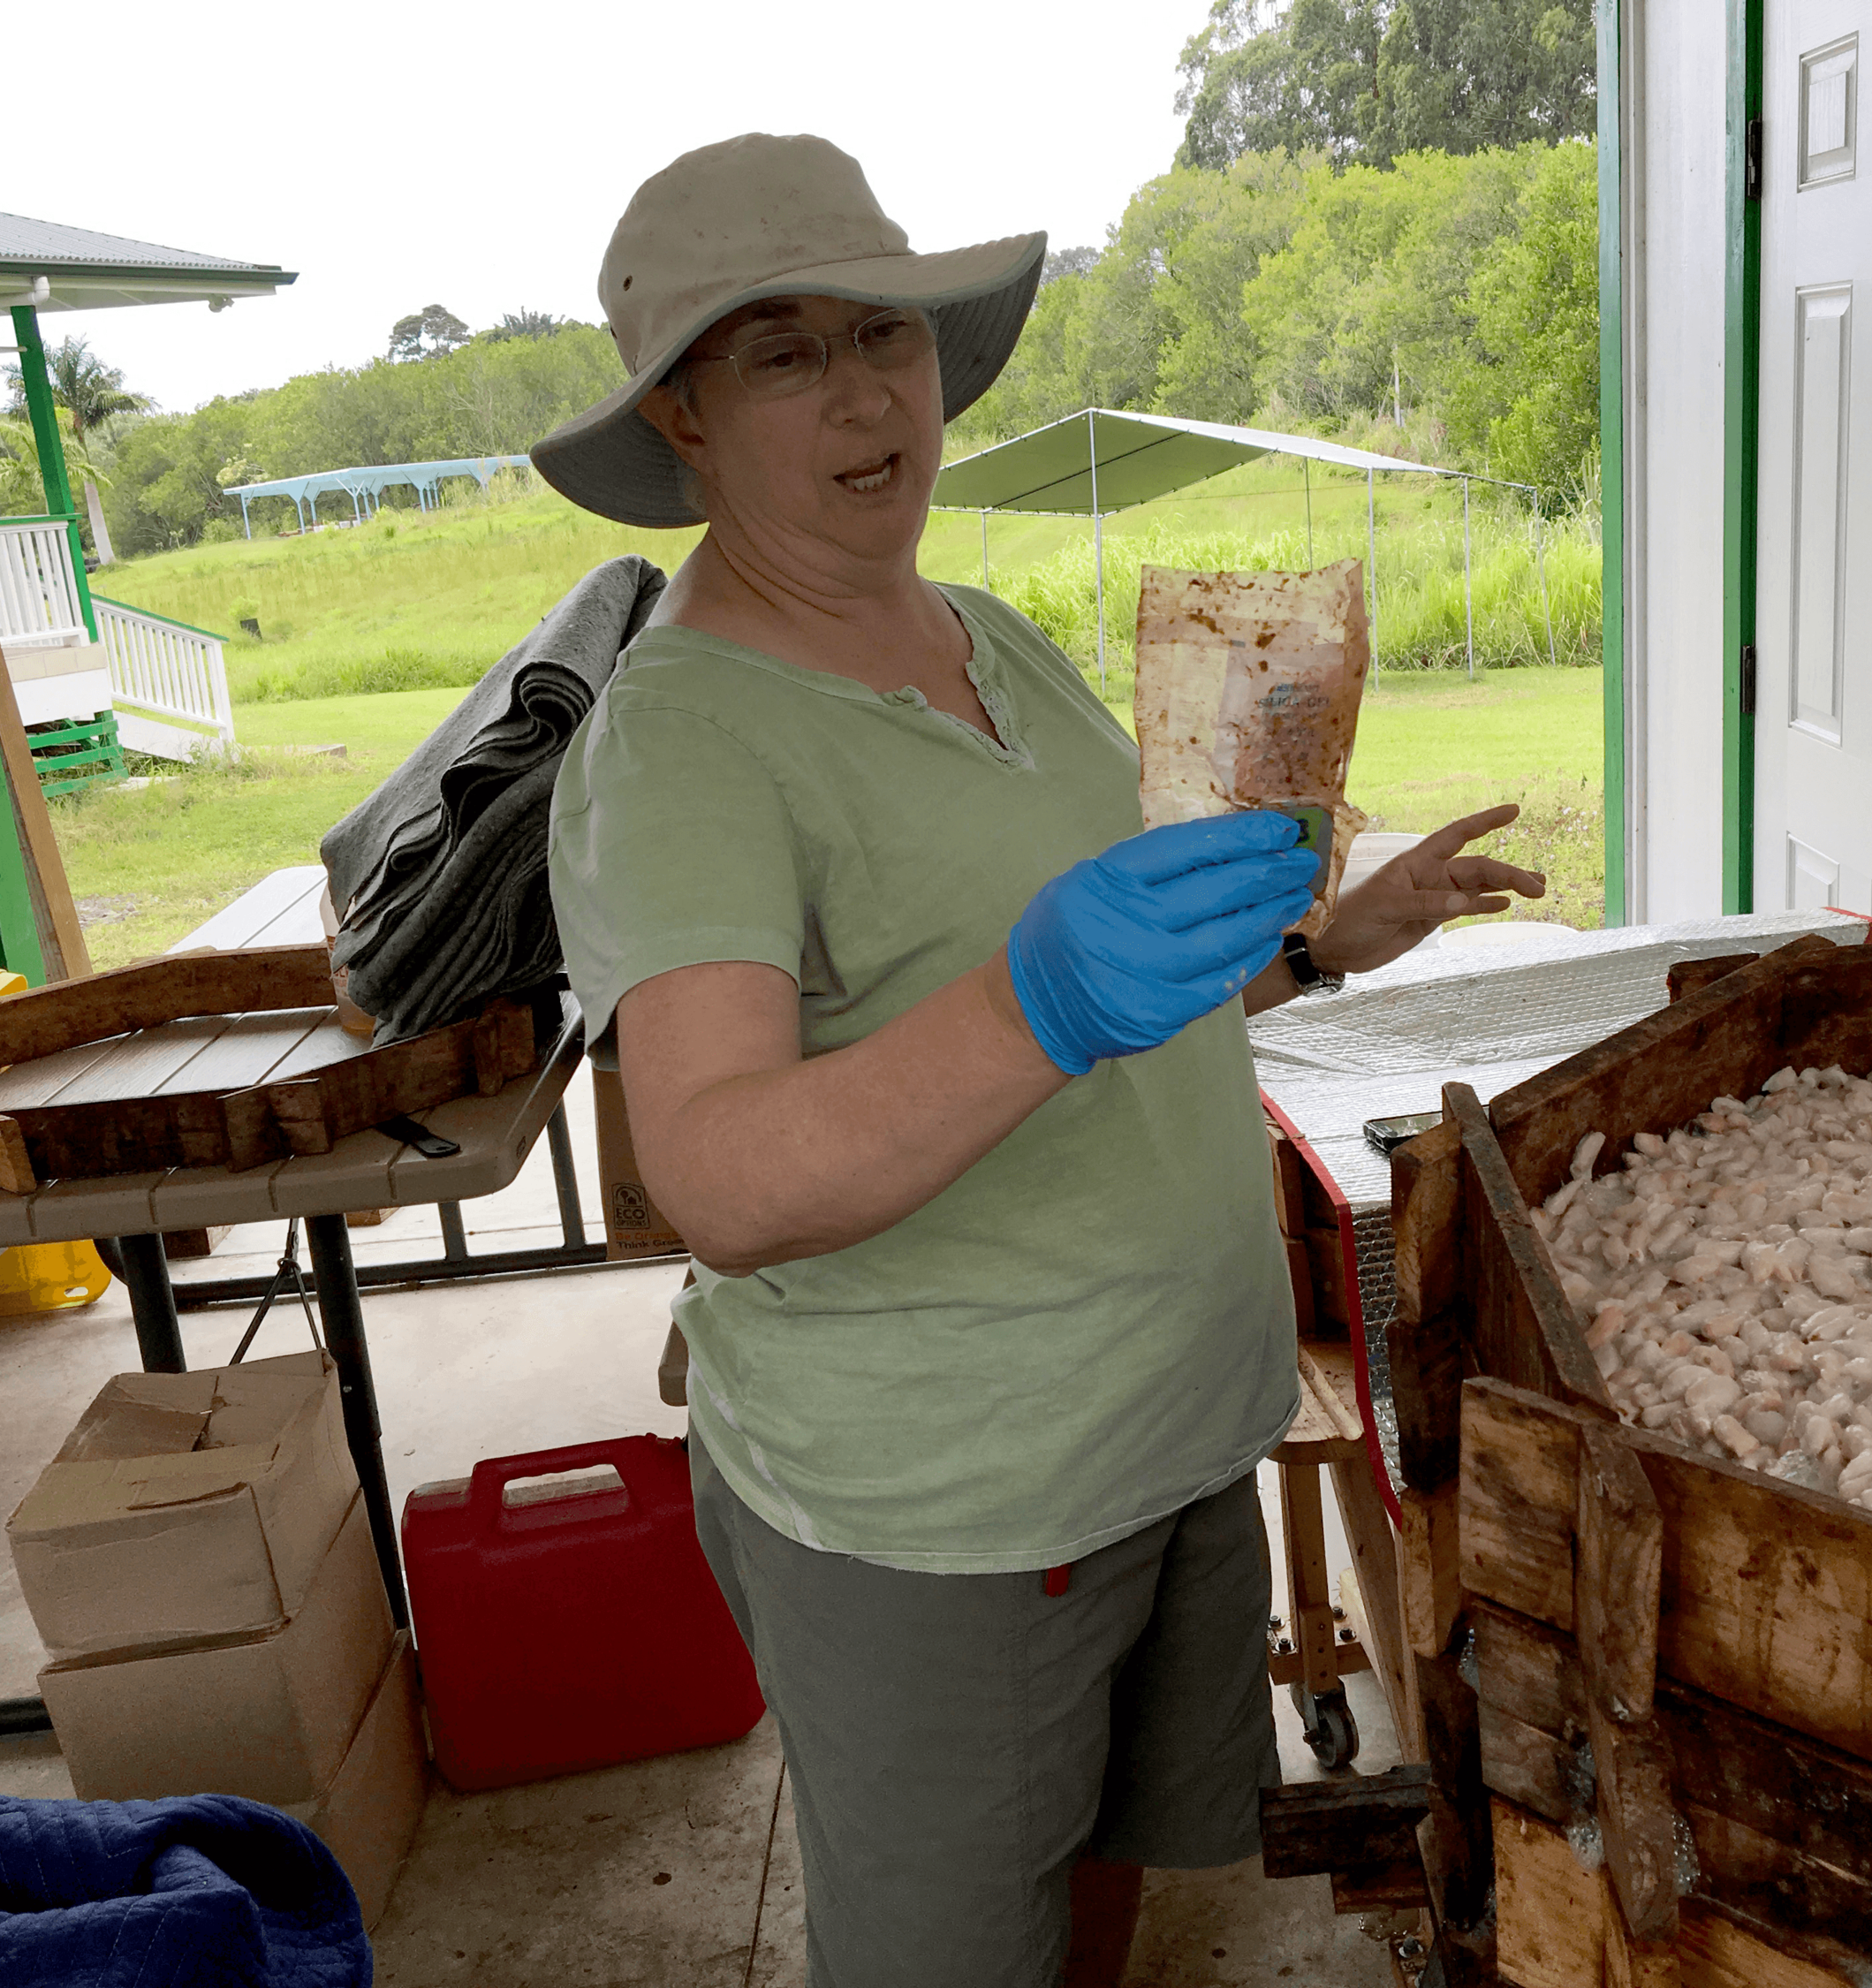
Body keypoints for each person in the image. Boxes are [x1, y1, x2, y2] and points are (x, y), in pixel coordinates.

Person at [534, 133, 1545, 1988]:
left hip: (1163, 1437)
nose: (863, 394)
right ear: (682, 415)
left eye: (885, 334)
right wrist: (1032, 1002)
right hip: (952, 1513)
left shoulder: (985, 634)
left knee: (1101, 1906)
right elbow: (724, 1180)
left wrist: (1316, 942)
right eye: (782, 355)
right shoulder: (682, 742)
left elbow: (1116, 993)